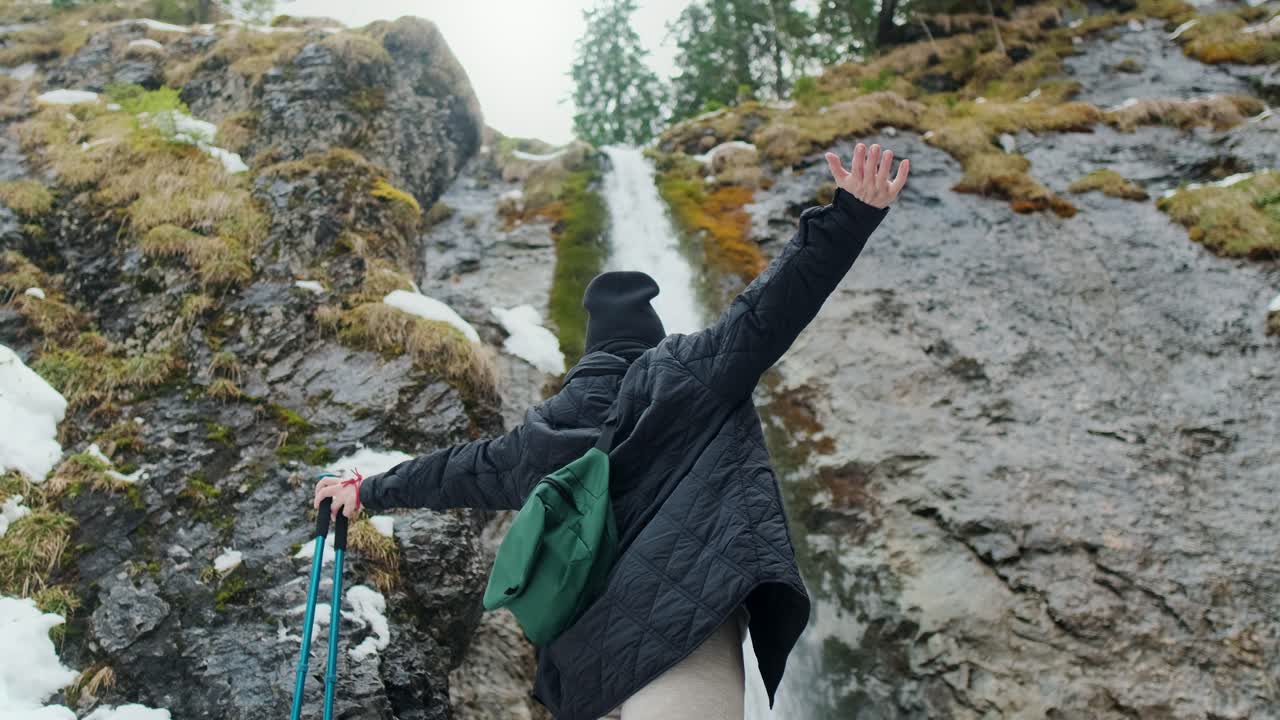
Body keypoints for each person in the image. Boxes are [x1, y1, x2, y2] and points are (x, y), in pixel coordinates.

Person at [314, 142, 909, 720]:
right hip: (682, 631)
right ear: (652, 336)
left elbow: (452, 471)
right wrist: (851, 216)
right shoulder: (691, 374)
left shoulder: (537, 438)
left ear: (589, 354)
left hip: (585, 673)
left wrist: (367, 491)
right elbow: (770, 308)